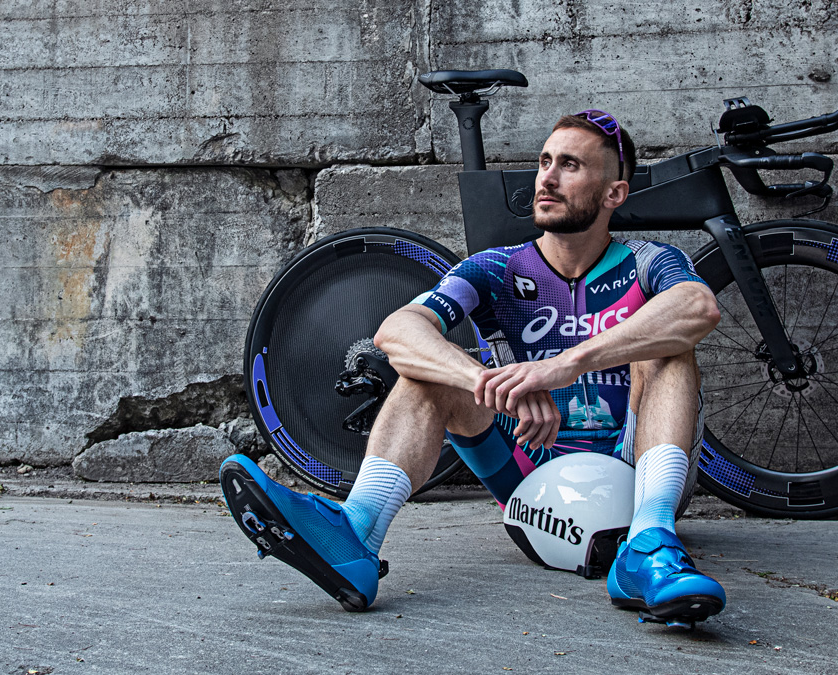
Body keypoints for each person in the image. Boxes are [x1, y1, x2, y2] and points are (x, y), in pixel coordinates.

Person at [221, 109, 727, 625]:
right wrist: (488, 383)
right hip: (530, 479)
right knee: (429, 370)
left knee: (666, 344)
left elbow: (698, 307)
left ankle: (648, 546)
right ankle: (355, 534)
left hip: (633, 475)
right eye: (545, 161)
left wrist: (564, 366)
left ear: (614, 193)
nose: (546, 179)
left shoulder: (649, 261)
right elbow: (397, 331)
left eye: (570, 166)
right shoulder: (496, 268)